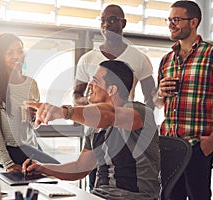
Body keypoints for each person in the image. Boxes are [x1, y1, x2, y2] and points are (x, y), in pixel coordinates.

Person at [23, 60, 160, 200]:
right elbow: (79, 167)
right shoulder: (94, 125)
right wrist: (43, 168)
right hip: (98, 196)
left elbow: (108, 115)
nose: (89, 85)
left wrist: (64, 112)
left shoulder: (141, 113)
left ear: (112, 89)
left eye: (95, 81)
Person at [153, 1, 213, 199]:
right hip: (169, 145)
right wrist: (159, 93)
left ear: (193, 22)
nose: (170, 24)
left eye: (176, 20)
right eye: (169, 20)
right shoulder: (166, 60)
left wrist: (212, 140)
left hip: (197, 146)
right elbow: (157, 102)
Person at [73, 4, 156, 190]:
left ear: (123, 23)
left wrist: (140, 120)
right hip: (96, 134)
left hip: (126, 138)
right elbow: (77, 96)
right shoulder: (87, 59)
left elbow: (151, 96)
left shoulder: (139, 58)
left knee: (123, 185)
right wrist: (93, 104)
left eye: (111, 20)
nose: (106, 25)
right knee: (96, 186)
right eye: (102, 20)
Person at [0, 33, 59, 172]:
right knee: (57, 173)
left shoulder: (32, 84)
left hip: (31, 147)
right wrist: (7, 163)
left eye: (20, 51)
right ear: (0, 56)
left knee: (58, 172)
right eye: (10, 52)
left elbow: (32, 126)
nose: (17, 56)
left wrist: (36, 118)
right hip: (10, 150)